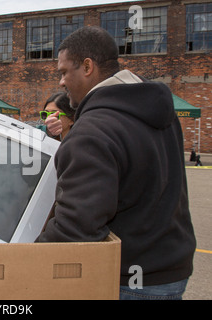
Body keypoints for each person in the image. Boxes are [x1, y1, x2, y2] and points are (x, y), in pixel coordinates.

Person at [36, 26, 196, 300]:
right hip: (171, 269)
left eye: (64, 72)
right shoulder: (158, 109)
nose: (61, 83)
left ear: (87, 67)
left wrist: (23, 255)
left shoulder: (91, 132)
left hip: (129, 279)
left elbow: (77, 227)